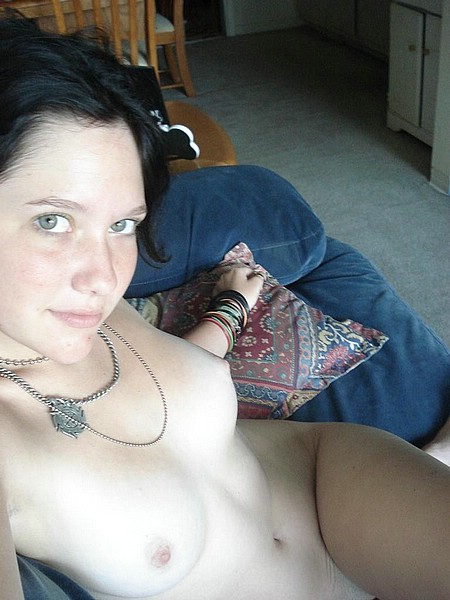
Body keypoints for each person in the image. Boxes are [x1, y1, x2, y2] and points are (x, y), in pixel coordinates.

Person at [0, 13, 449, 600]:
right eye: (52, 221)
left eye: (122, 225)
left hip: (327, 476)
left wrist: (232, 306)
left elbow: (164, 380)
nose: (105, 277)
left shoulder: (78, 303)